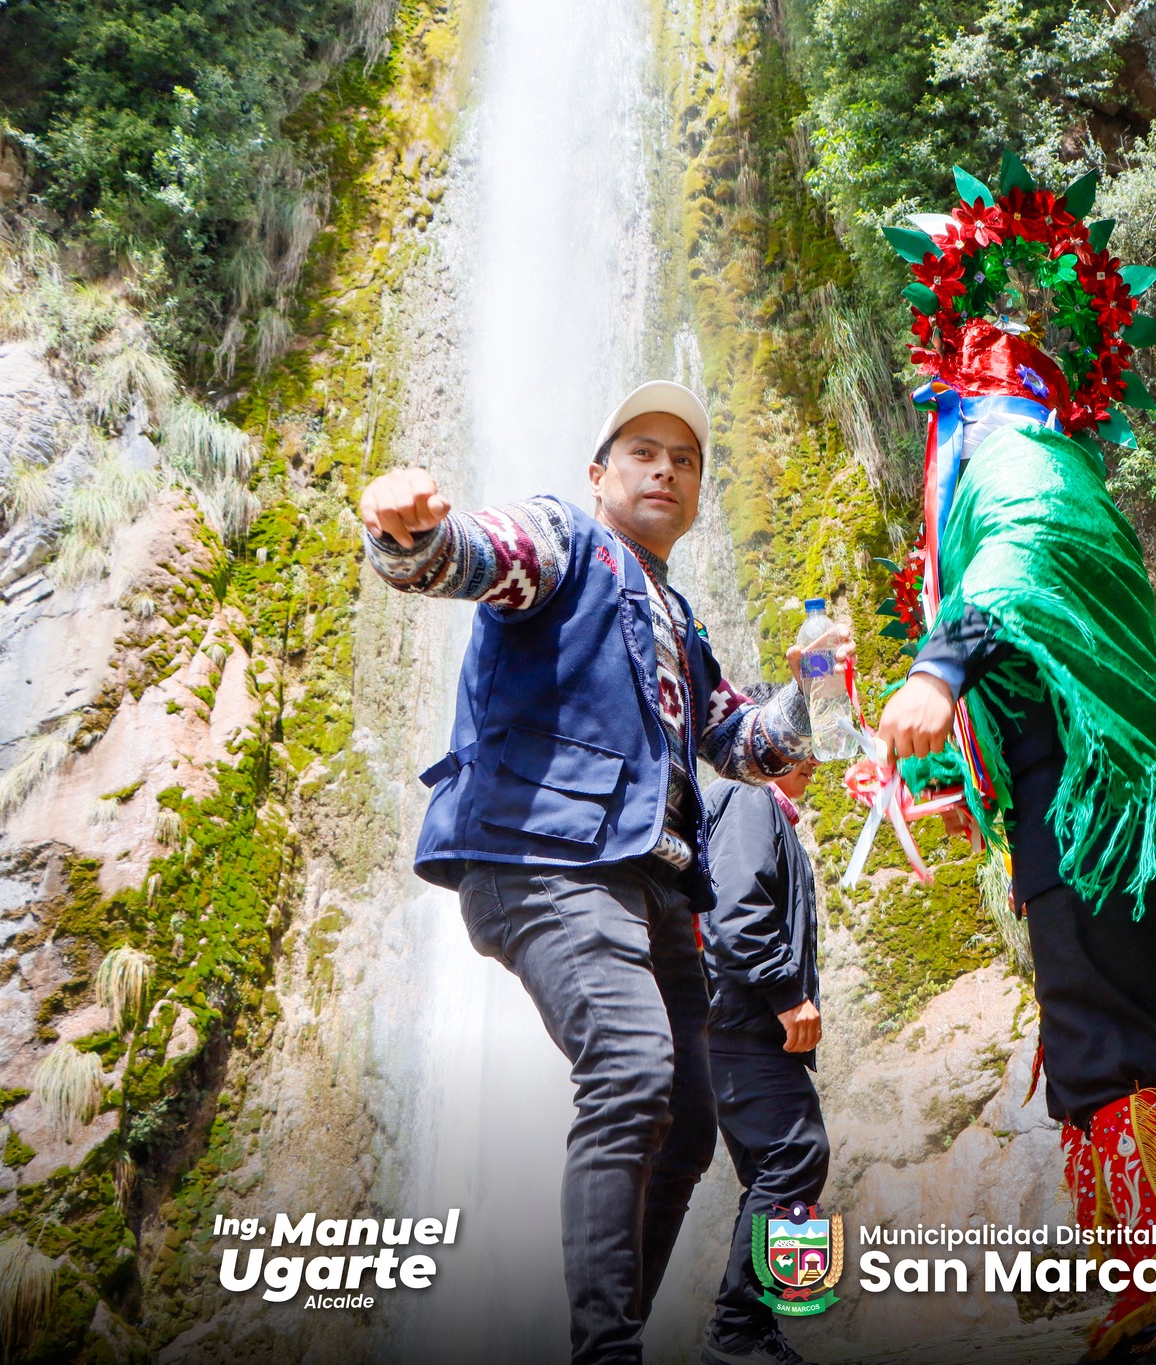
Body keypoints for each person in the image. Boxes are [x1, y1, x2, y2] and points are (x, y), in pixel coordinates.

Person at [356, 380, 849, 1365]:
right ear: (597, 474)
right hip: (546, 859)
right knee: (629, 1069)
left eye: (686, 459)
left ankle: (614, 1338)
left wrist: (812, 688)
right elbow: (479, 555)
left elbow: (746, 747)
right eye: (643, 452)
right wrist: (405, 533)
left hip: (650, 887)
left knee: (689, 1123)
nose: (667, 469)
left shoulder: (677, 617)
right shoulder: (563, 539)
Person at [872, 322, 1156, 1361]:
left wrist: (939, 669)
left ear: (971, 403)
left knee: (1106, 1064)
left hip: (1093, 821)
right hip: (1135, 813)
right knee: (1118, 1055)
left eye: (944, 414)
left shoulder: (1013, 461)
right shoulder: (1063, 467)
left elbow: (1014, 563)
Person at [700, 758, 829, 1365]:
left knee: (777, 1169)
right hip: (742, 1022)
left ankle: (749, 1332)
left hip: (735, 1023)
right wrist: (788, 995)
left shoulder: (752, 807)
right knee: (798, 1154)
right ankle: (739, 1335)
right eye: (802, 746)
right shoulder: (748, 799)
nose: (816, 762)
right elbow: (736, 914)